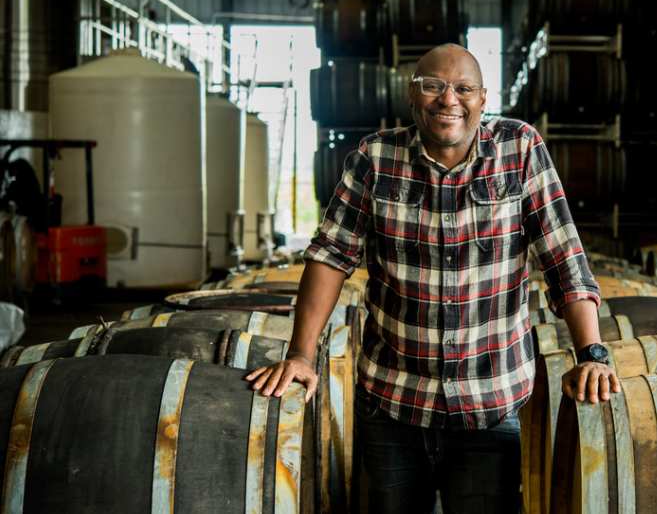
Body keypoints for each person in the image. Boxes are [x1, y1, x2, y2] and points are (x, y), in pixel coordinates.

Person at [246, 43, 620, 514]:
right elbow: (330, 256)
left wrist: (593, 354)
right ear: (412, 93)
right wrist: (301, 355)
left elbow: (564, 258)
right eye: (434, 86)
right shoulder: (374, 157)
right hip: (390, 405)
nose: (449, 100)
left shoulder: (520, 149)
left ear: (483, 99)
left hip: (489, 408)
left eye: (464, 88)